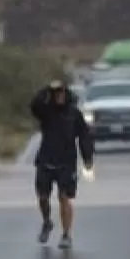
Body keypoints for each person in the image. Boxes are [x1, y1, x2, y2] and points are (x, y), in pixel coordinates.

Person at [29, 80, 95, 249]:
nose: (59, 96)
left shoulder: (74, 114)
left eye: (62, 93)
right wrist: (46, 88)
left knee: (64, 197)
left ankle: (66, 234)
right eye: (56, 93)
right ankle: (47, 221)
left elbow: (84, 136)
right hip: (46, 159)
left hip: (67, 161)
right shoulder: (45, 112)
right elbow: (34, 106)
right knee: (43, 197)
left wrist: (87, 157)